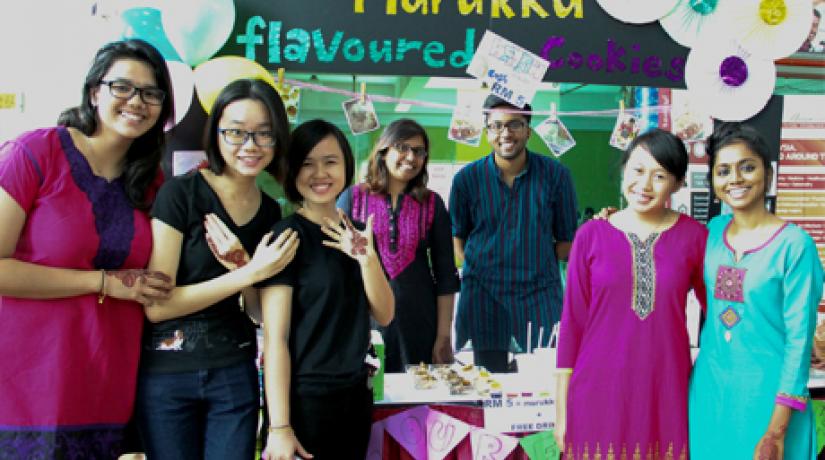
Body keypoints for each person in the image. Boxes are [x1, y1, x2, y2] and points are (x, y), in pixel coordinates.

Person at [0, 39, 175, 457]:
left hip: (108, 387)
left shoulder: (153, 184)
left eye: (151, 93)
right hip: (26, 389)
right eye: (122, 87)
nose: (137, 101)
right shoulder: (35, 152)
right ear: (95, 91)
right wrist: (103, 282)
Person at [135, 79, 299, 459]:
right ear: (217, 133)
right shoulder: (180, 194)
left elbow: (259, 312)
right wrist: (246, 273)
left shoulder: (271, 211)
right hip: (168, 374)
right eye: (236, 132)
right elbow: (158, 306)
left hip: (233, 373)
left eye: (263, 134)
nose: (250, 145)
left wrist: (243, 263)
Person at [554, 129, 707, 459]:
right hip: (596, 391)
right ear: (624, 170)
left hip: (665, 390)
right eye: (637, 170)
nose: (645, 185)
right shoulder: (591, 235)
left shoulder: (696, 238)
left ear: (678, 183)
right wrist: (562, 412)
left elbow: (722, 311)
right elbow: (572, 326)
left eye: (660, 175)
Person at [258, 119, 394, 460]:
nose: (320, 173)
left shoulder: (360, 233)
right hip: (305, 399)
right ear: (292, 171)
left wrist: (367, 260)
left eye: (330, 161)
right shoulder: (286, 236)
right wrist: (279, 426)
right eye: (307, 163)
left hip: (355, 394)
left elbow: (385, 314)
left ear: (346, 166)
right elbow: (276, 338)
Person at [689, 123, 823, 460]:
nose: (736, 179)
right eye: (724, 171)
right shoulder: (712, 233)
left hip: (770, 401)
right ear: (714, 183)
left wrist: (776, 430)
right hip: (710, 395)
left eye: (747, 167)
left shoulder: (795, 246)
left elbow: (799, 340)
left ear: (768, 173)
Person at [449, 94, 578, 372]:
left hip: (539, 296)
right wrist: (479, 268)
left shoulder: (557, 176)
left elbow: (566, 243)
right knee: (487, 386)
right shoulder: (466, 180)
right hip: (483, 297)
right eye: (496, 125)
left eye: (514, 125)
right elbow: (457, 238)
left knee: (544, 385)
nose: (505, 133)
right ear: (486, 132)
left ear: (528, 130)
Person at [337, 118, 460, 372]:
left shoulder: (432, 204)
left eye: (419, 151)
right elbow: (338, 269)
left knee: (416, 405)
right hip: (366, 323)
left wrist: (443, 336)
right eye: (402, 147)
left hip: (420, 323)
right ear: (384, 151)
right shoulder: (353, 198)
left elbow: (446, 276)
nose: (411, 157)